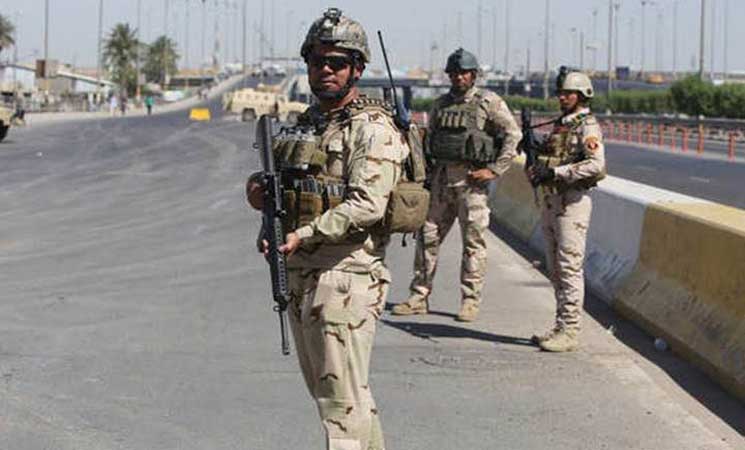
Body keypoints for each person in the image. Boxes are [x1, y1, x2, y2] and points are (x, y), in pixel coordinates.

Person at [245, 8, 409, 449]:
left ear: (357, 68)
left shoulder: (372, 128)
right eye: (317, 61)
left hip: (345, 276)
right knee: (340, 399)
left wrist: (304, 234)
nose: (326, 70)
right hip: (302, 273)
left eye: (337, 62)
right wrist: (263, 204)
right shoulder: (307, 123)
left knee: (340, 404)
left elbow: (367, 205)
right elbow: (283, 191)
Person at [391, 48, 522, 322]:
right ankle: (419, 296)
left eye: (464, 73)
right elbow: (430, 141)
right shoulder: (440, 105)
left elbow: (513, 134)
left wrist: (494, 170)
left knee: (473, 243)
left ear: (473, 75)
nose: (458, 78)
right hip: (441, 181)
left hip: (472, 183)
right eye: (454, 73)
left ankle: (470, 300)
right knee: (427, 237)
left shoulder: (488, 102)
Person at [527, 69, 606, 352]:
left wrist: (555, 173)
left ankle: (570, 330)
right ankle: (561, 326)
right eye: (561, 93)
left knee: (569, 267)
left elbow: (596, 164)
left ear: (582, 95)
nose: (562, 98)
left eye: (568, 93)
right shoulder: (562, 125)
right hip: (553, 201)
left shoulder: (587, 126)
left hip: (572, 203)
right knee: (556, 269)